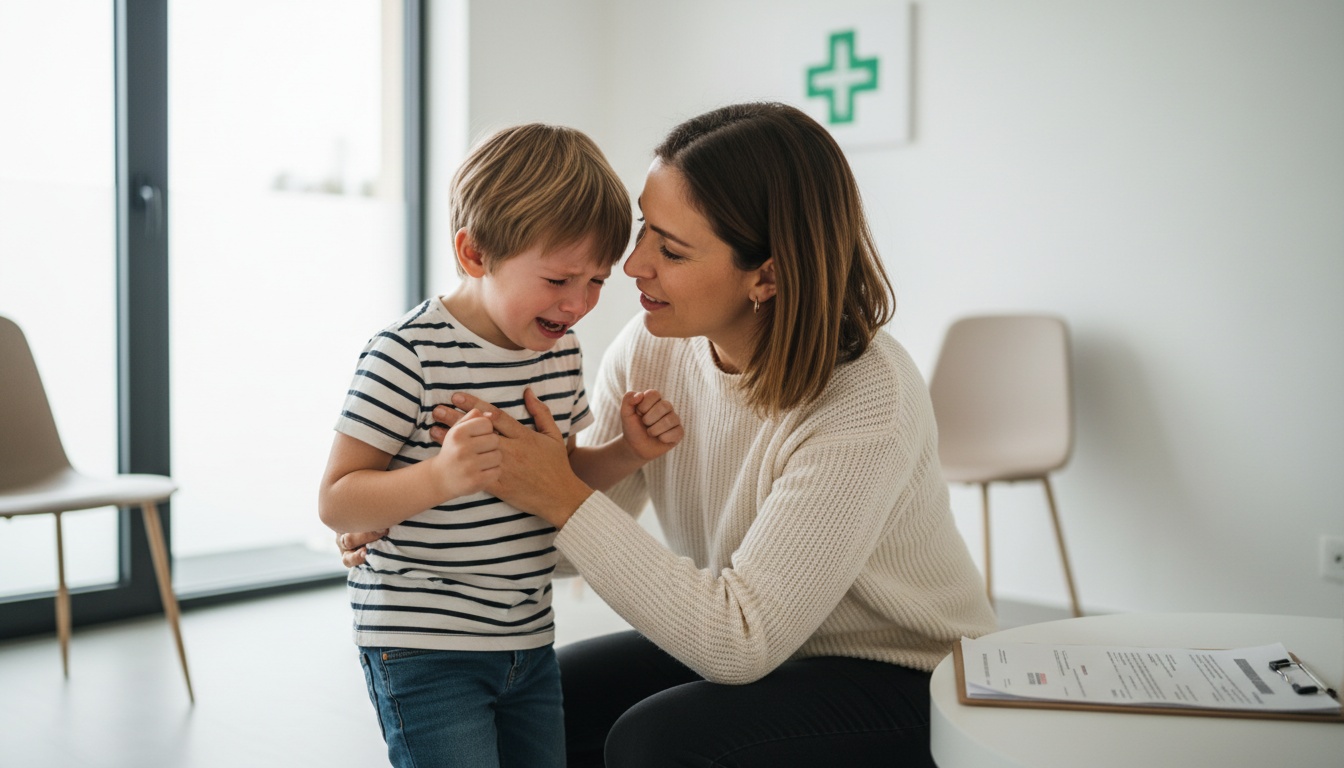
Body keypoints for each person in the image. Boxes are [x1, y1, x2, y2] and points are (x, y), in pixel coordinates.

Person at [341, 102, 996, 767]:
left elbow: (740, 641)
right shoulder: (653, 348)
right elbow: (566, 550)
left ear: (766, 275)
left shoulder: (865, 400)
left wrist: (554, 489)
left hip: (902, 676)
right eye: (644, 229)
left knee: (656, 744)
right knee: (531, 711)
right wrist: (412, 502)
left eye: (671, 248)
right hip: (761, 648)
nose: (632, 266)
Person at [318, 123, 683, 768]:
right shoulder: (406, 354)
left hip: (527, 640)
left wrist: (625, 452)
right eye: (559, 280)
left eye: (597, 281)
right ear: (475, 253)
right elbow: (338, 503)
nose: (578, 304)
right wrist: (441, 477)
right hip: (423, 646)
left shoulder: (559, 353)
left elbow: (559, 476)